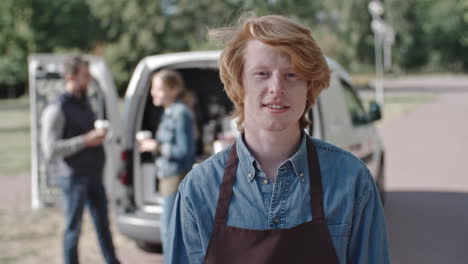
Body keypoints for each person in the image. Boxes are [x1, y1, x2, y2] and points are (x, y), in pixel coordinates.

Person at [165, 14, 390, 264]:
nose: (277, 88)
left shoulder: (351, 180)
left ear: (309, 85)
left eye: (291, 75)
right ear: (239, 84)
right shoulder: (199, 189)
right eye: (262, 73)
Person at [41, 56, 120, 264]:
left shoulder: (84, 102)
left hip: (94, 174)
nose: (90, 80)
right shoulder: (56, 109)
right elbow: (50, 150)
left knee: (103, 224)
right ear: (71, 76)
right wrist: (85, 140)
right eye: (85, 76)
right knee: (73, 230)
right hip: (73, 178)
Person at [138, 69, 196, 252]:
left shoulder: (180, 113)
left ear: (174, 89)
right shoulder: (169, 112)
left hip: (175, 177)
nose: (153, 93)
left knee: (169, 230)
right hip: (167, 176)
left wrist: (156, 146)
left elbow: (185, 151)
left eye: (158, 88)